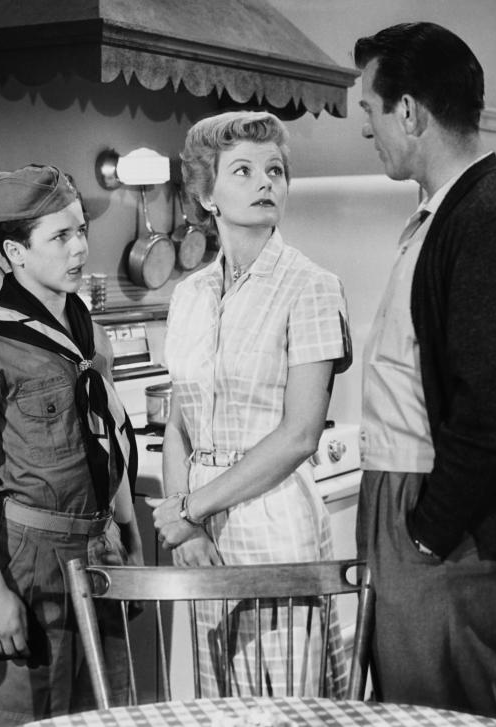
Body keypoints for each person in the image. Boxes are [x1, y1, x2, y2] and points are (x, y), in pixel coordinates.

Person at [352, 22, 496, 721]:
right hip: (422, 519)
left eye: (369, 112)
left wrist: (426, 533)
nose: (366, 130)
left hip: (450, 537)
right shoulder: (447, 214)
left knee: (442, 715)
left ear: (408, 111)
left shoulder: (490, 217)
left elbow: (487, 408)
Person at [148, 111, 352, 697]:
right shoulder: (187, 295)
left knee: (284, 699)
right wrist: (188, 529)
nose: (267, 182)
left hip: (273, 509)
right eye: (244, 170)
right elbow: (177, 425)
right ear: (206, 195)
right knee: (218, 701)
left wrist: (188, 509)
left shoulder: (311, 285)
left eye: (276, 170)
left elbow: (300, 434)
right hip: (200, 520)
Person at [0, 164, 143, 725]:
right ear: (14, 253)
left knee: (109, 709)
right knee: (32, 714)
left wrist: (129, 530)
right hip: (33, 560)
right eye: (60, 237)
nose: (79, 249)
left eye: (81, 232)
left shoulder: (89, 330)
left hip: (102, 542)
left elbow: (108, 437)